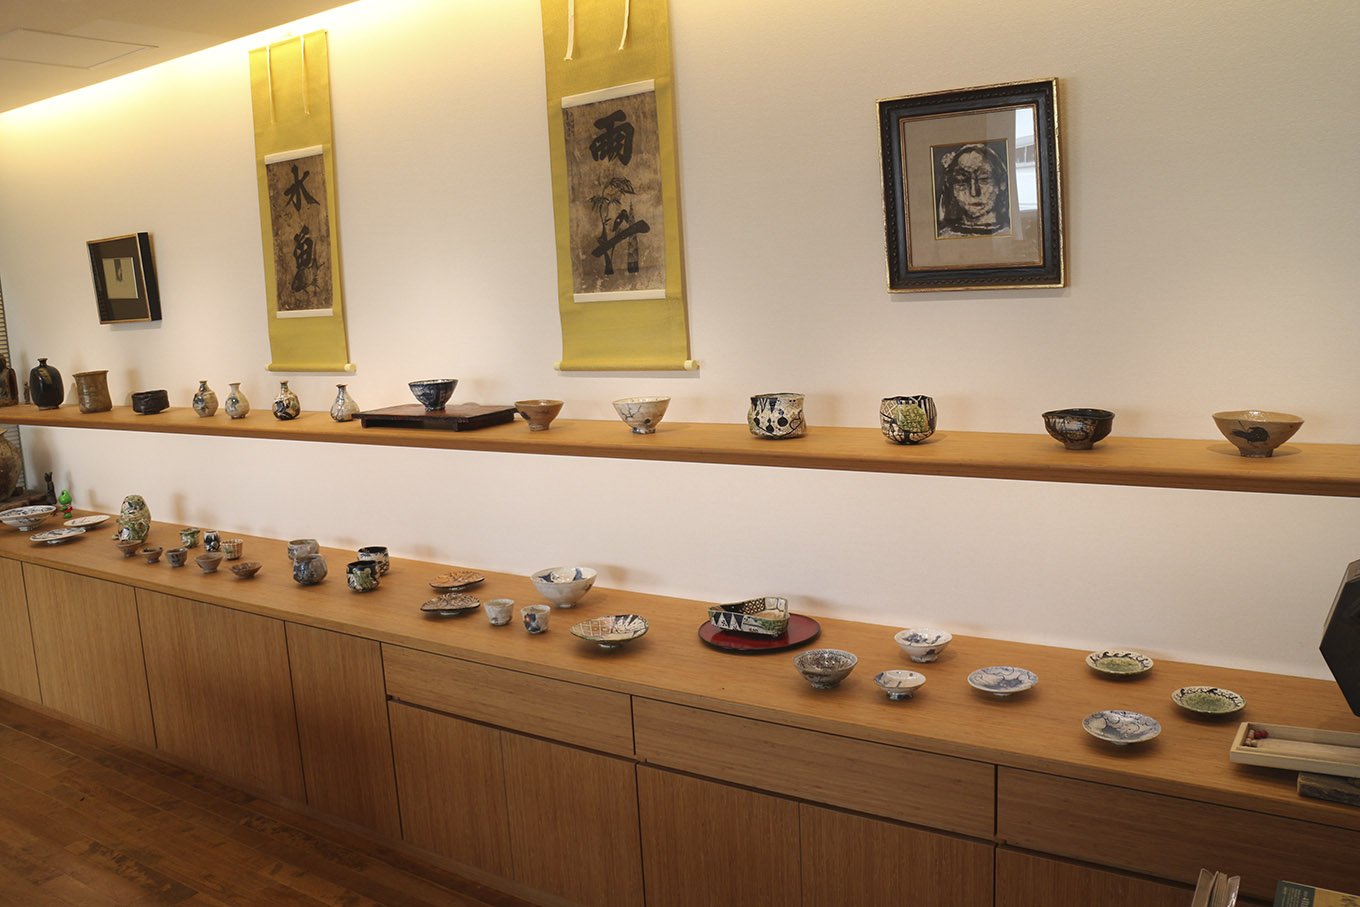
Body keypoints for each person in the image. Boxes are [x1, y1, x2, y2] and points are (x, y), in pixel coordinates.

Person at [936, 142, 1010, 237]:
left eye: (984, 179)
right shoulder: (945, 235)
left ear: (1002, 183)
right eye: (962, 181)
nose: (974, 192)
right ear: (950, 186)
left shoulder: (1008, 233)